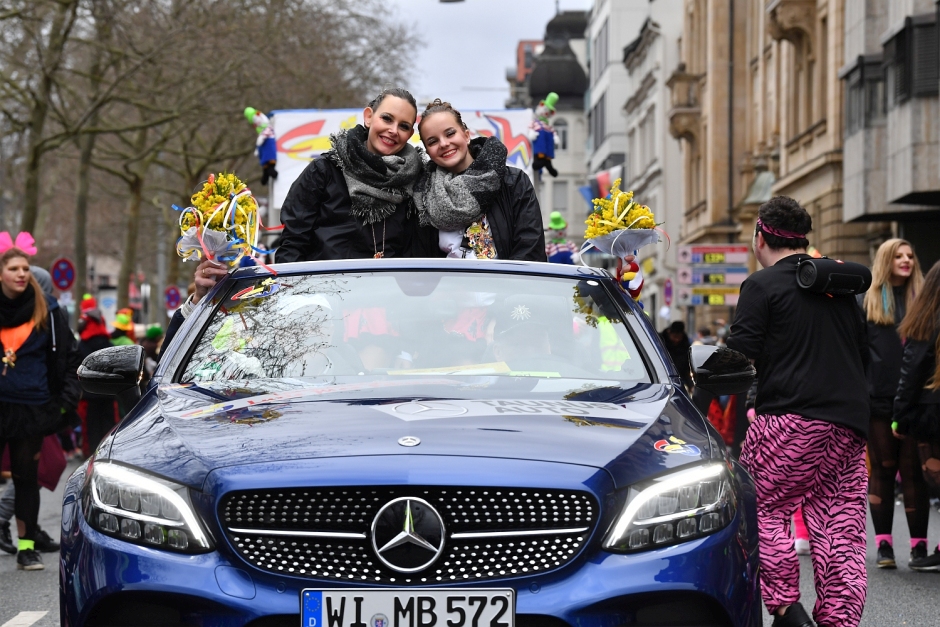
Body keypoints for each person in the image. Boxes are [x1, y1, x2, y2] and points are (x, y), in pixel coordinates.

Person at [726, 196, 869, 627]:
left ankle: (788, 611)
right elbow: (863, 353)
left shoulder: (761, 285)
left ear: (760, 235)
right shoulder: (837, 285)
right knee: (840, 526)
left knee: (760, 508)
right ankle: (839, 620)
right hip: (848, 423)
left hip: (789, 421)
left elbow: (740, 356)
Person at [0, 241, 81, 570]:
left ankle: (27, 547)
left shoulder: (47, 308)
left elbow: (69, 356)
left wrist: (63, 403)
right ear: (1, 274)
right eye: (13, 269)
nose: (21, 274)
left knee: (25, 479)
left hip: (32, 407)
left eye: (25, 268)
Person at [275, 87, 423, 264]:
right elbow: (292, 244)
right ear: (368, 117)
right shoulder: (324, 170)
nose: (393, 130)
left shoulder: (416, 182)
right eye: (387, 118)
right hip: (324, 281)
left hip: (389, 282)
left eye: (404, 126)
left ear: (410, 134)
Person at [860, 239, 927, 569]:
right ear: (885, 260)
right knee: (884, 468)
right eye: (899, 256)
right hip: (879, 399)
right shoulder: (866, 300)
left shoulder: (924, 299)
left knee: (914, 472)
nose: (906, 260)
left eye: (910, 256)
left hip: (916, 398)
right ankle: (884, 546)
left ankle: (919, 547)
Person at [412, 98, 546, 261]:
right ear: (428, 151)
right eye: (433, 141)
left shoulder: (514, 182)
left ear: (466, 135)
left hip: (505, 278)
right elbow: (421, 261)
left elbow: (530, 250)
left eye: (450, 133)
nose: (444, 143)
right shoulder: (423, 196)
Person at [893, 259, 940, 571]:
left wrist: (900, 415)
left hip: (932, 411)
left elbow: (911, 374)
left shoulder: (926, 321)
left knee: (935, 477)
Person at [76, 298, 118, 456]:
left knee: (91, 431)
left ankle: (92, 459)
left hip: (89, 397)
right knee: (108, 430)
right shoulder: (110, 346)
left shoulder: (81, 346)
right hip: (108, 396)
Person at [659, 321, 693, 390]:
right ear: (669, 333)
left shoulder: (685, 346)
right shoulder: (660, 343)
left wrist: (691, 386)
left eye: (679, 337)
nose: (677, 340)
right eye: (675, 337)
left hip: (680, 379)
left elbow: (687, 368)